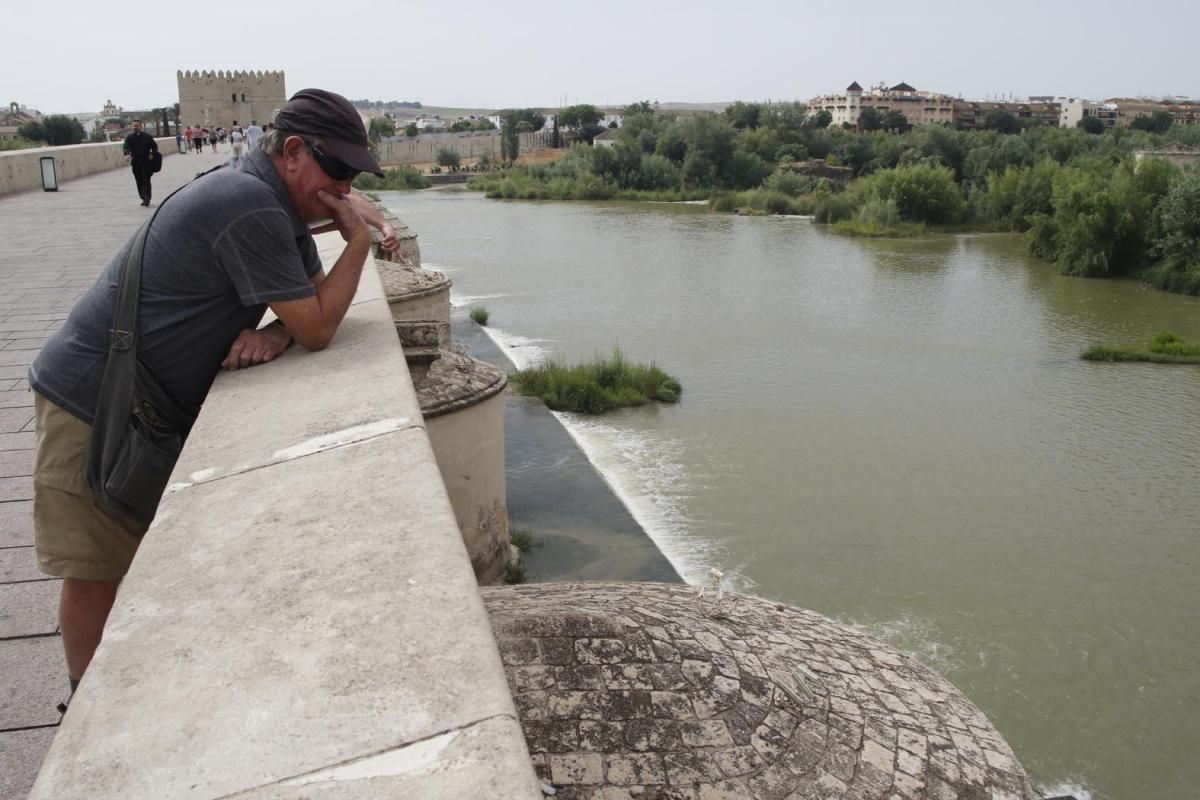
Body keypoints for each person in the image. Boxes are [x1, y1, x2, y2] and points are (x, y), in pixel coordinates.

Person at [29, 88, 387, 703]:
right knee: (96, 572)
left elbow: (311, 306)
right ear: (294, 151)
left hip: (138, 402)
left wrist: (275, 332)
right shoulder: (250, 203)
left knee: (126, 563)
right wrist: (358, 240)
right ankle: (83, 714)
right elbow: (322, 326)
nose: (345, 188)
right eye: (338, 171)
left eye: (354, 177)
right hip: (93, 401)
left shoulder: (271, 200)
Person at [122, 119, 159, 207]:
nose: (135, 127)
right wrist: (127, 154)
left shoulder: (147, 137)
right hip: (136, 163)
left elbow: (154, 147)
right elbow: (126, 147)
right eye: (134, 126)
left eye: (137, 126)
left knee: (146, 180)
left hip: (147, 162)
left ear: (141, 126)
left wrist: (152, 154)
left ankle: (147, 197)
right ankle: (143, 197)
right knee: (139, 180)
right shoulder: (129, 137)